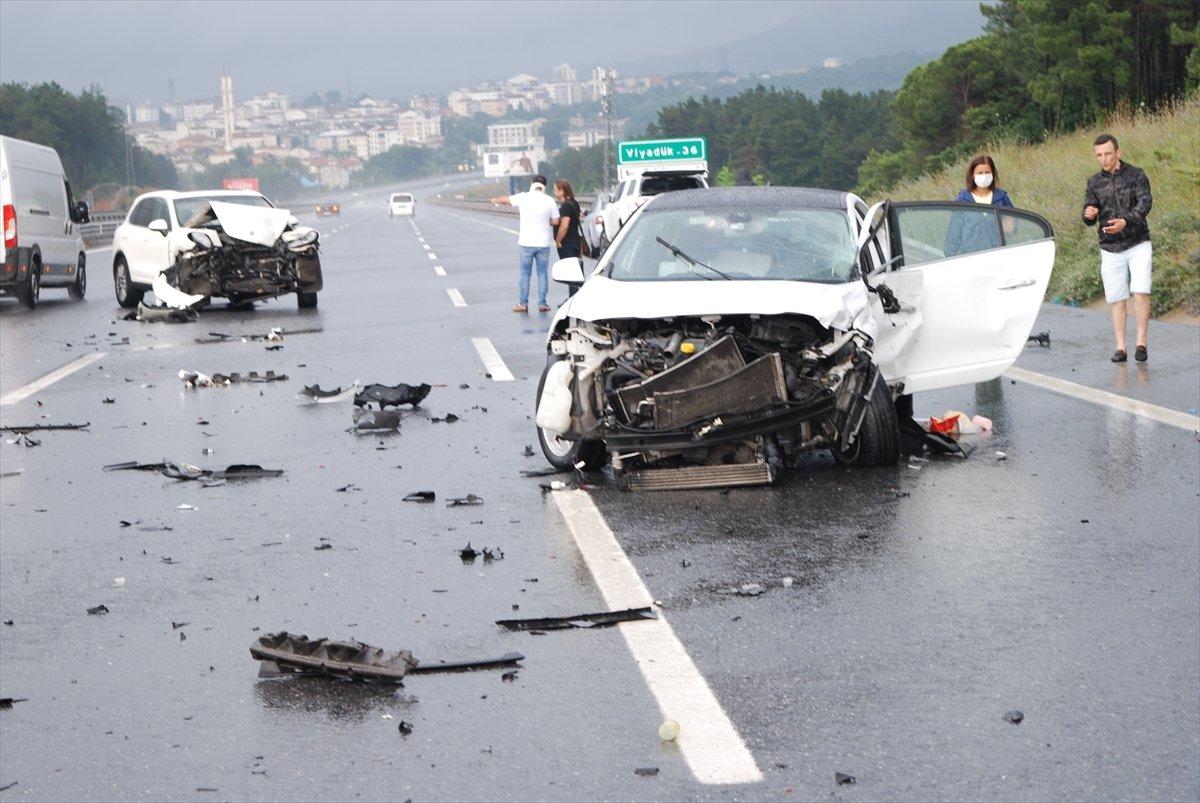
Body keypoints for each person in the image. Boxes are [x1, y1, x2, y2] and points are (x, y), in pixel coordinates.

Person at [1083, 133, 1153, 363]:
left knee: (1141, 290)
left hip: (1137, 241)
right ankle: (1121, 347)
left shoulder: (1136, 175)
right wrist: (1088, 214)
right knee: (1117, 298)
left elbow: (1145, 203)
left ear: (1118, 152)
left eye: (1107, 154)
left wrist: (1126, 221)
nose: (1103, 159)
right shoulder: (1094, 182)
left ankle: (1141, 342)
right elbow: (1089, 210)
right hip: (1110, 246)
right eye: (1099, 155)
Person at [491, 174, 560, 313]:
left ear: (532, 183)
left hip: (526, 243)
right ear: (544, 186)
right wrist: (547, 221)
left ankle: (523, 304)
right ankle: (542, 304)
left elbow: (506, 200)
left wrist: (495, 199)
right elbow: (556, 221)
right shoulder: (549, 200)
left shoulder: (523, 197)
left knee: (525, 274)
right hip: (543, 244)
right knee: (542, 274)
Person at [944, 155, 1014, 257]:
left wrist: (1009, 225)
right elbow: (954, 231)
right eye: (980, 173)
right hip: (971, 256)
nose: (984, 176)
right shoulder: (963, 200)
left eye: (987, 172)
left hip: (997, 254)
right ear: (973, 175)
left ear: (993, 174)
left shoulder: (1002, 197)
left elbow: (1011, 226)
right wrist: (949, 256)